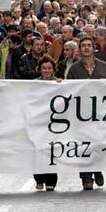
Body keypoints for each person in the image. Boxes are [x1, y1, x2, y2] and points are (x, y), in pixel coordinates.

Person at [67, 36, 106, 190]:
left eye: (89, 45)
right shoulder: (74, 69)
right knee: (84, 146)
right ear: (79, 49)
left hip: (100, 113)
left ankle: (98, 169)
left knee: (99, 143)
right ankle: (86, 177)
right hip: (81, 114)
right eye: (83, 46)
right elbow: (68, 89)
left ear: (94, 48)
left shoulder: (103, 66)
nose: (86, 48)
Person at [34, 55, 60, 191]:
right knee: (37, 150)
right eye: (44, 68)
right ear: (40, 69)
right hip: (38, 122)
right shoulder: (34, 84)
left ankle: (51, 180)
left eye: (49, 68)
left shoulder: (59, 84)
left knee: (52, 150)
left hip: (54, 124)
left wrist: (63, 85)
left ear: (53, 69)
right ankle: (39, 178)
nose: (47, 70)